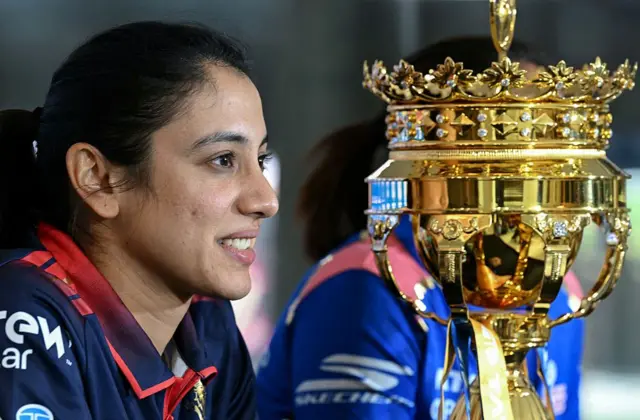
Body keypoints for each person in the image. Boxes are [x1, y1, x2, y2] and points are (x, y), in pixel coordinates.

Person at [256, 37, 584, 420]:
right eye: (514, 139)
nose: (541, 169)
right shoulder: (371, 289)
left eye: (553, 140)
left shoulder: (559, 291)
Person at [0, 21, 278, 419]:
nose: (266, 201)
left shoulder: (207, 322)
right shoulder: (22, 313)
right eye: (222, 160)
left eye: (261, 160)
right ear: (98, 178)